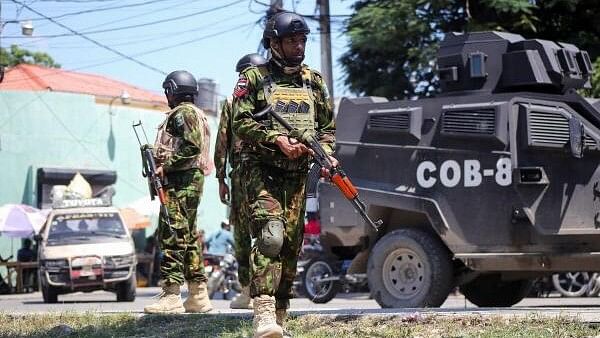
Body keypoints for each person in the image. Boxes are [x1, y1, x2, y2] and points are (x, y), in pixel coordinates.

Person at [232, 12, 336, 338]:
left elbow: (327, 129)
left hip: (297, 176)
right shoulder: (253, 78)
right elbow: (241, 122)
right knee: (271, 237)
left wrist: (325, 155)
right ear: (274, 43)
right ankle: (262, 312)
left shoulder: (313, 82)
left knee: (291, 247)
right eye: (292, 40)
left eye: (303, 40)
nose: (299, 46)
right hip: (261, 171)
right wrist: (275, 139)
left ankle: (279, 318)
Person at [143, 70, 213, 314]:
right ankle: (198, 295)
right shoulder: (197, 114)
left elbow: (192, 147)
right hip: (190, 181)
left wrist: (165, 166)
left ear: (173, 90)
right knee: (189, 236)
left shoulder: (182, 114)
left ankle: (171, 295)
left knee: (172, 233)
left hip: (182, 182)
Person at [214, 53, 267, 310]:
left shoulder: (233, 101)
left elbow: (222, 141)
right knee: (266, 231)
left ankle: (249, 292)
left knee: (244, 234)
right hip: (271, 176)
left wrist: (220, 177)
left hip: (244, 176)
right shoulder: (275, 99)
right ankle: (265, 291)